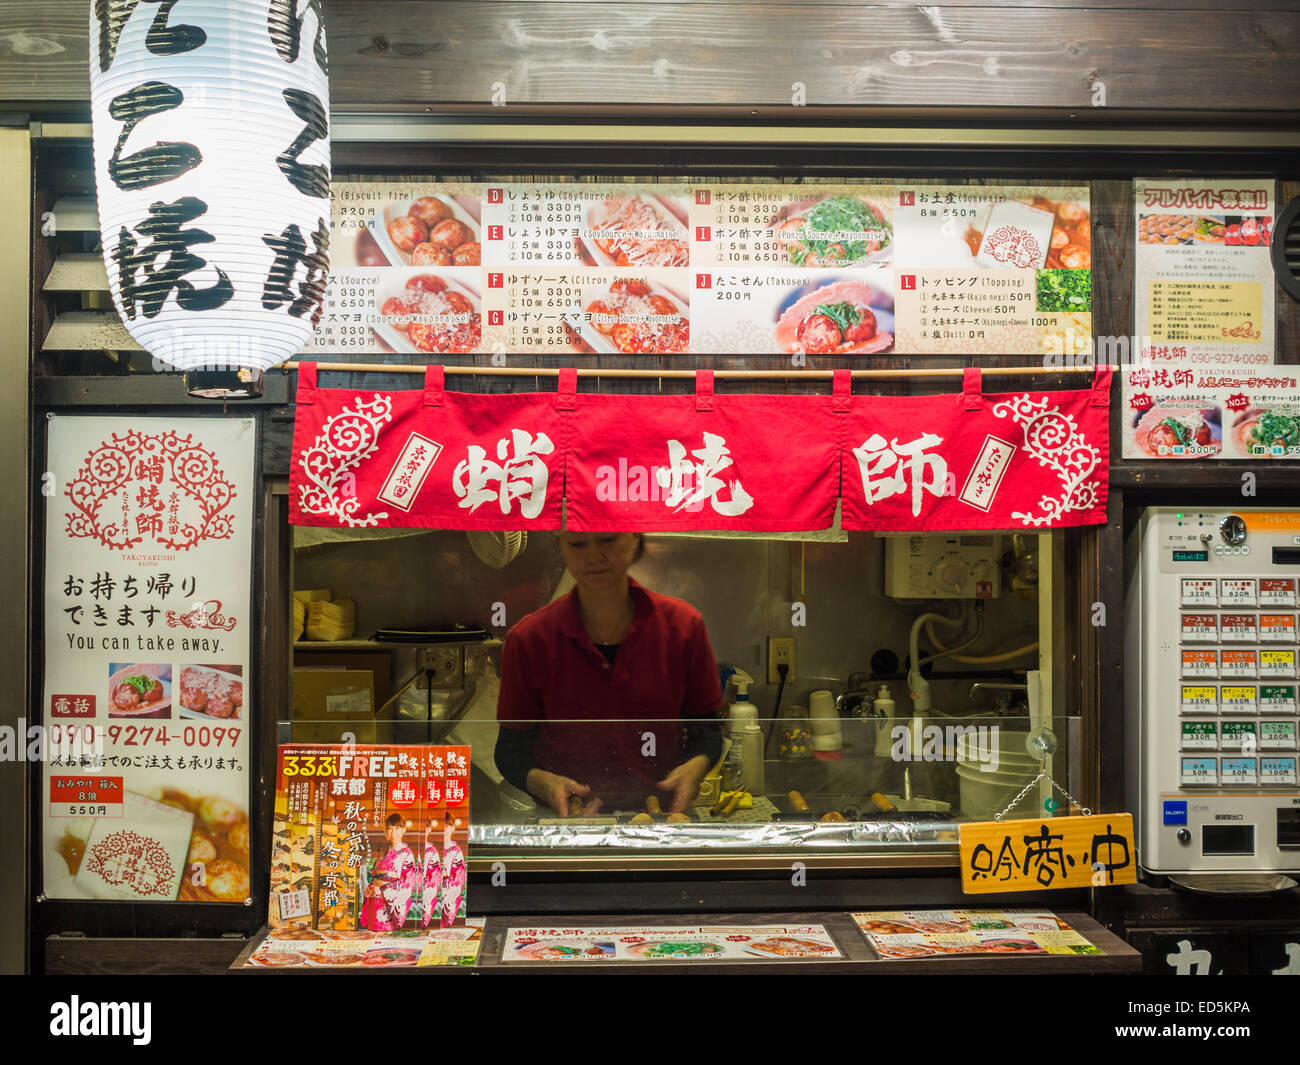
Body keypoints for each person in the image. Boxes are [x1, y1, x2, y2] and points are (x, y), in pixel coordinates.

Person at [495, 532, 723, 816]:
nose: (593, 556)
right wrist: (543, 783)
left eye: (607, 540)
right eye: (577, 543)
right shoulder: (529, 639)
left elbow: (709, 734)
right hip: (568, 823)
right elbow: (509, 750)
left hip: (660, 820)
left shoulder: (684, 627)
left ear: (634, 540)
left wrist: (694, 767)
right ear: (562, 548)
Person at [359, 813, 418, 931]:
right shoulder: (384, 853)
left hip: (388, 906)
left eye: (397, 828)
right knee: (373, 938)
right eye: (390, 829)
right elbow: (375, 876)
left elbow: (408, 884)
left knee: (385, 940)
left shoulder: (406, 854)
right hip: (374, 902)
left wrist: (381, 892)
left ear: (403, 830)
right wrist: (369, 889)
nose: (393, 832)